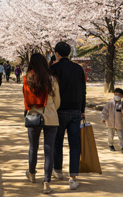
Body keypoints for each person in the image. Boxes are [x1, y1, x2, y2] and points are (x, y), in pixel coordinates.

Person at [50, 40, 85, 190]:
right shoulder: (78, 69)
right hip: (76, 110)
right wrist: (82, 109)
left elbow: (51, 91)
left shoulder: (54, 68)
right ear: (69, 53)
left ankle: (58, 170)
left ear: (56, 54)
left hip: (58, 111)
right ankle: (73, 177)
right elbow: (83, 90)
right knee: (75, 144)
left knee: (57, 142)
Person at [23, 53, 60, 194]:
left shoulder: (27, 79)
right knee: (48, 151)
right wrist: (50, 110)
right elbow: (57, 101)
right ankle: (46, 182)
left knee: (33, 148)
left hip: (33, 116)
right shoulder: (52, 79)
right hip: (50, 116)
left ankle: (32, 174)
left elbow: (26, 99)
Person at [102, 88, 123, 153]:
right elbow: (105, 111)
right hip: (110, 123)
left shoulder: (122, 105)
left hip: (119, 124)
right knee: (110, 135)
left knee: (121, 136)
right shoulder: (110, 103)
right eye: (115, 94)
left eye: (118, 95)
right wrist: (103, 118)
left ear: (122, 96)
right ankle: (110, 145)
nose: (117, 96)